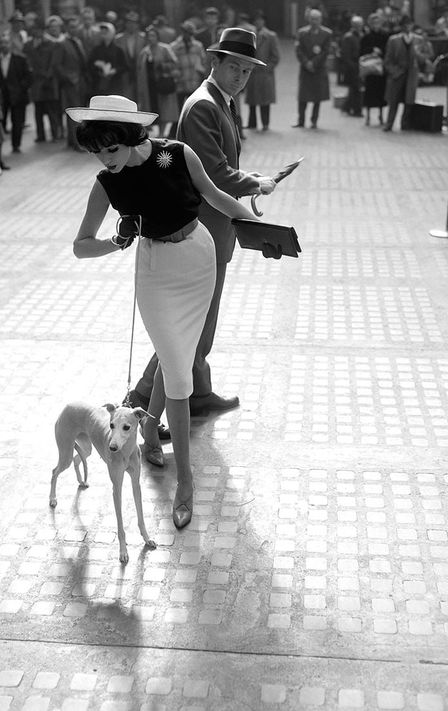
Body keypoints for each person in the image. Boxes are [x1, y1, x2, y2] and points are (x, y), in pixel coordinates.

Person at [66, 94, 258, 528]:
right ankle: (185, 482)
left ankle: (151, 432)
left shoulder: (176, 154)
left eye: (110, 148)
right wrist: (114, 243)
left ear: (133, 137)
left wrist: (258, 226)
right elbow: (81, 246)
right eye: (96, 151)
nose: (104, 158)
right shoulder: (106, 181)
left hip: (198, 258)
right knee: (176, 369)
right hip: (153, 270)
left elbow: (214, 195)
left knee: (177, 363)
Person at [128, 28, 276, 424]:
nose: (241, 77)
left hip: (213, 227)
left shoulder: (219, 101)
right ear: (214, 63)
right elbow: (212, 173)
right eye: (234, 68)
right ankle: (139, 401)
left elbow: (220, 164)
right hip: (202, 230)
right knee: (187, 326)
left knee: (200, 323)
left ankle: (198, 393)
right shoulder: (204, 105)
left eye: (247, 71)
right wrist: (253, 183)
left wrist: (248, 176)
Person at [383, 16, 425, 132]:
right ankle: (389, 123)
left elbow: (425, 57)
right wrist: (394, 72)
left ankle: (405, 123)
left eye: (409, 24)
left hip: (411, 73)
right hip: (398, 73)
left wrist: (419, 56)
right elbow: (388, 60)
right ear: (401, 26)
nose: (407, 27)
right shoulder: (393, 40)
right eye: (405, 25)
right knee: (393, 100)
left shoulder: (418, 39)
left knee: (409, 100)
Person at [53, 15, 89, 150]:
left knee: (79, 111)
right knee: (75, 113)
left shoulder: (78, 41)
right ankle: (76, 143)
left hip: (81, 81)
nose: (75, 29)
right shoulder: (61, 43)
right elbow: (57, 65)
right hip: (71, 83)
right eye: (72, 27)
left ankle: (71, 140)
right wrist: (69, 78)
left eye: (76, 26)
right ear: (67, 28)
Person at [137, 25, 179, 138]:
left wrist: (162, 66)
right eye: (148, 36)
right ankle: (149, 133)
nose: (150, 38)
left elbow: (174, 63)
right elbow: (139, 70)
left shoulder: (165, 49)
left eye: (153, 35)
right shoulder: (144, 52)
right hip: (148, 86)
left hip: (161, 83)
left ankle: (161, 133)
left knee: (163, 110)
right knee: (151, 108)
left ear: (157, 37)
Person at [293, 9, 332, 129]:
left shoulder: (327, 33)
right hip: (305, 69)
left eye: (317, 19)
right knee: (303, 97)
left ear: (321, 20)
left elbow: (326, 51)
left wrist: (314, 63)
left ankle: (314, 120)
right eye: (312, 18)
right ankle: (301, 120)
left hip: (319, 69)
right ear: (309, 19)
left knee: (317, 96)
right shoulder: (302, 32)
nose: (314, 21)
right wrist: (306, 63)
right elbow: (298, 50)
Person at [24, 21, 61, 142]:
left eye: (39, 30)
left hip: (48, 81)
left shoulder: (51, 44)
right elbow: (26, 62)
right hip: (35, 82)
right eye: (34, 30)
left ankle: (55, 134)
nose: (37, 32)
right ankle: (41, 135)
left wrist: (47, 75)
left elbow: (54, 63)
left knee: (52, 110)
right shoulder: (28, 45)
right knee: (38, 110)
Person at [244, 12, 280, 131]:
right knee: (252, 100)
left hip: (264, 74)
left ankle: (265, 123)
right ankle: (252, 123)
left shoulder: (270, 36)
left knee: (265, 100)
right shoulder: (249, 36)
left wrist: (267, 67)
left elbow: (276, 56)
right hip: (252, 73)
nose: (258, 22)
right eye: (256, 20)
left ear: (264, 21)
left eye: (260, 20)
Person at [0, 33, 32, 154]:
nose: (4, 45)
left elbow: (29, 76)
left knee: (17, 122)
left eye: (6, 43)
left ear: (10, 45)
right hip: (2, 97)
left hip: (17, 96)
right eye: (1, 43)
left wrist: (20, 88)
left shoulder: (20, 59)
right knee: (1, 122)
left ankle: (16, 145)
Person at [359, 13, 388, 126]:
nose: (376, 25)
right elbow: (361, 52)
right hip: (370, 69)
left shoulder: (385, 36)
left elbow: (388, 50)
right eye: (374, 23)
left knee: (381, 93)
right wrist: (371, 50)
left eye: (378, 23)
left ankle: (381, 115)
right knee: (369, 93)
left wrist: (381, 52)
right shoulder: (366, 37)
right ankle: (368, 116)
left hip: (381, 69)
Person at [88, 22, 127, 96]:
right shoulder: (96, 49)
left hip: (114, 83)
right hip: (99, 83)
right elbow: (90, 65)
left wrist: (115, 71)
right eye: (102, 31)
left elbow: (124, 66)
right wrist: (98, 69)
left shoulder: (118, 50)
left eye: (106, 31)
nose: (103, 33)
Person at [115, 10, 146, 102]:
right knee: (126, 97)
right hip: (125, 72)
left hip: (140, 71)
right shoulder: (118, 39)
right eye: (129, 23)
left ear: (137, 25)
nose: (131, 25)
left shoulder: (143, 37)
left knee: (141, 97)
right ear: (126, 24)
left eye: (134, 23)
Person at [340, 15, 364, 117]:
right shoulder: (348, 37)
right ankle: (356, 110)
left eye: (360, 25)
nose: (359, 27)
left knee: (355, 89)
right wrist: (352, 66)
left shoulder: (362, 35)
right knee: (355, 89)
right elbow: (345, 54)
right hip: (352, 66)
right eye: (357, 25)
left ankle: (347, 107)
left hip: (359, 65)